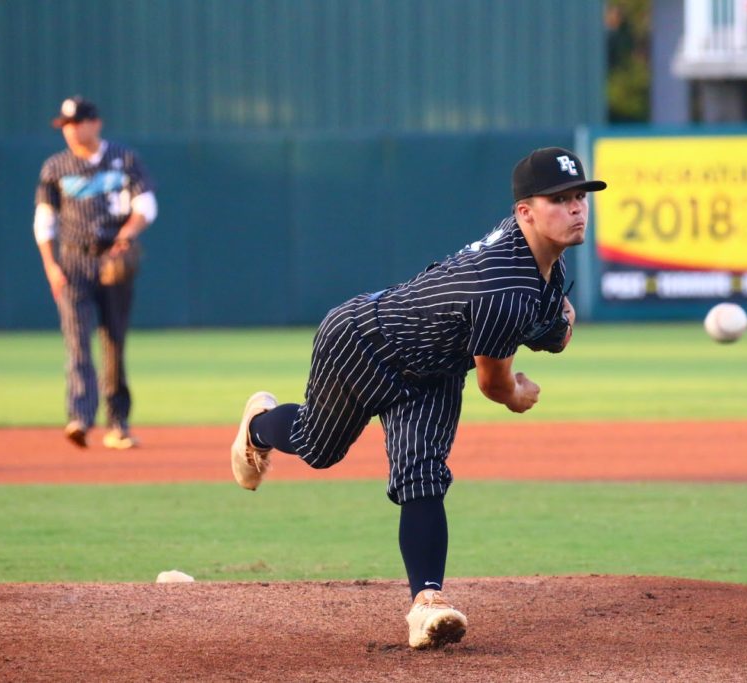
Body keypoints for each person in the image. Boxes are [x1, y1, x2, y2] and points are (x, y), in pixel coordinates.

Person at [230, 147, 606, 649]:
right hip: (364, 341)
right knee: (317, 447)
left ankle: (427, 604)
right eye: (559, 199)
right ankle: (258, 424)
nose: (577, 208)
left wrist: (554, 327)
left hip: (433, 370)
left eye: (580, 196)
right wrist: (519, 394)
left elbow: (535, 310)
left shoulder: (536, 254)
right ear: (525, 212)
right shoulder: (503, 290)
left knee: (422, 476)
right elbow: (495, 383)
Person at [33, 96, 157, 450]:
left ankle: (118, 423)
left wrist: (127, 234)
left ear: (95, 123)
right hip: (72, 262)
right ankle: (80, 418)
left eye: (76, 123)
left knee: (113, 343)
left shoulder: (125, 159)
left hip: (113, 261)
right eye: (65, 125)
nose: (70, 130)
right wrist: (50, 265)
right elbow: (44, 221)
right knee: (76, 341)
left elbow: (146, 206)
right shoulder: (56, 167)